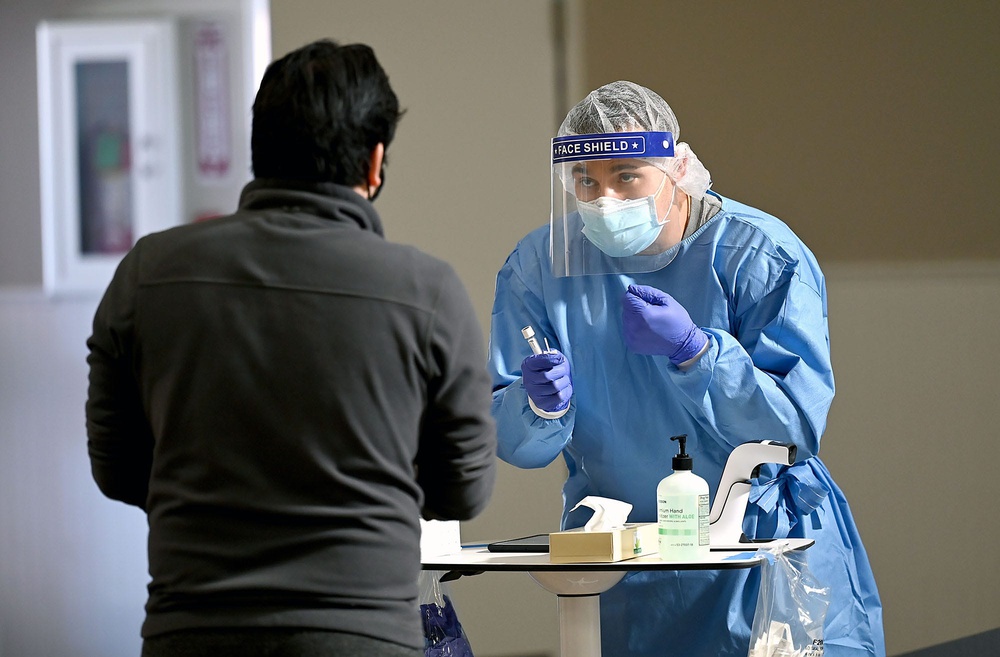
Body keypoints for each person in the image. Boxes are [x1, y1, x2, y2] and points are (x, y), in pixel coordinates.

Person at [86, 39, 497, 657]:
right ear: (375, 162)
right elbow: (463, 490)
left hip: (193, 633)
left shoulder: (150, 274)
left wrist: (215, 492)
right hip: (363, 639)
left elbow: (117, 468)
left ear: (260, 150)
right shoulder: (425, 292)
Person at [488, 80, 885, 657]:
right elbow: (517, 443)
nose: (605, 200)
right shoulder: (542, 265)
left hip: (759, 552)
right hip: (626, 562)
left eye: (628, 177)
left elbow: (792, 430)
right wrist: (537, 407)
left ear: (677, 168)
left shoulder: (759, 256)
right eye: (586, 183)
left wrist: (700, 355)